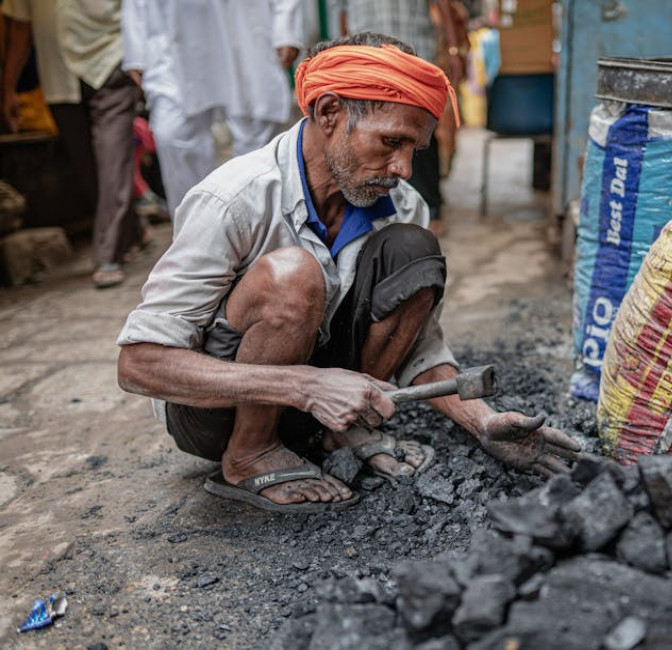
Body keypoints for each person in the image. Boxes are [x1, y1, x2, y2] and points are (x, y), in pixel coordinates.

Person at [116, 32, 581, 513]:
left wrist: (482, 423)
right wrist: (305, 385)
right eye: (391, 142)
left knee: (414, 249)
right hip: (219, 412)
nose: (402, 167)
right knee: (292, 275)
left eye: (413, 149)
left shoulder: (403, 206)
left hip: (326, 405)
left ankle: (342, 432)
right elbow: (139, 363)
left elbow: (421, 348)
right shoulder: (235, 199)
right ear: (329, 113)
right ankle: (250, 454)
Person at [1, 0, 140, 288]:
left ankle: (107, 254)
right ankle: (137, 229)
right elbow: (19, 28)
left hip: (111, 64)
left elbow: (140, 9)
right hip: (59, 76)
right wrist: (8, 87)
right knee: (86, 167)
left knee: (112, 160)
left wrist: (141, 59)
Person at [121, 0, 304, 218]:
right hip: (170, 37)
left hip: (244, 27)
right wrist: (136, 50)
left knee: (255, 125)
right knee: (173, 132)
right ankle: (196, 228)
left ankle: (266, 225)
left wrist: (286, 26)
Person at [343, 0, 468, 235]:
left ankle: (430, 209)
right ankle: (376, 208)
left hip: (415, 51)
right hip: (366, 56)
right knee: (370, 131)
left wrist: (453, 49)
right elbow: (340, 10)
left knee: (418, 132)